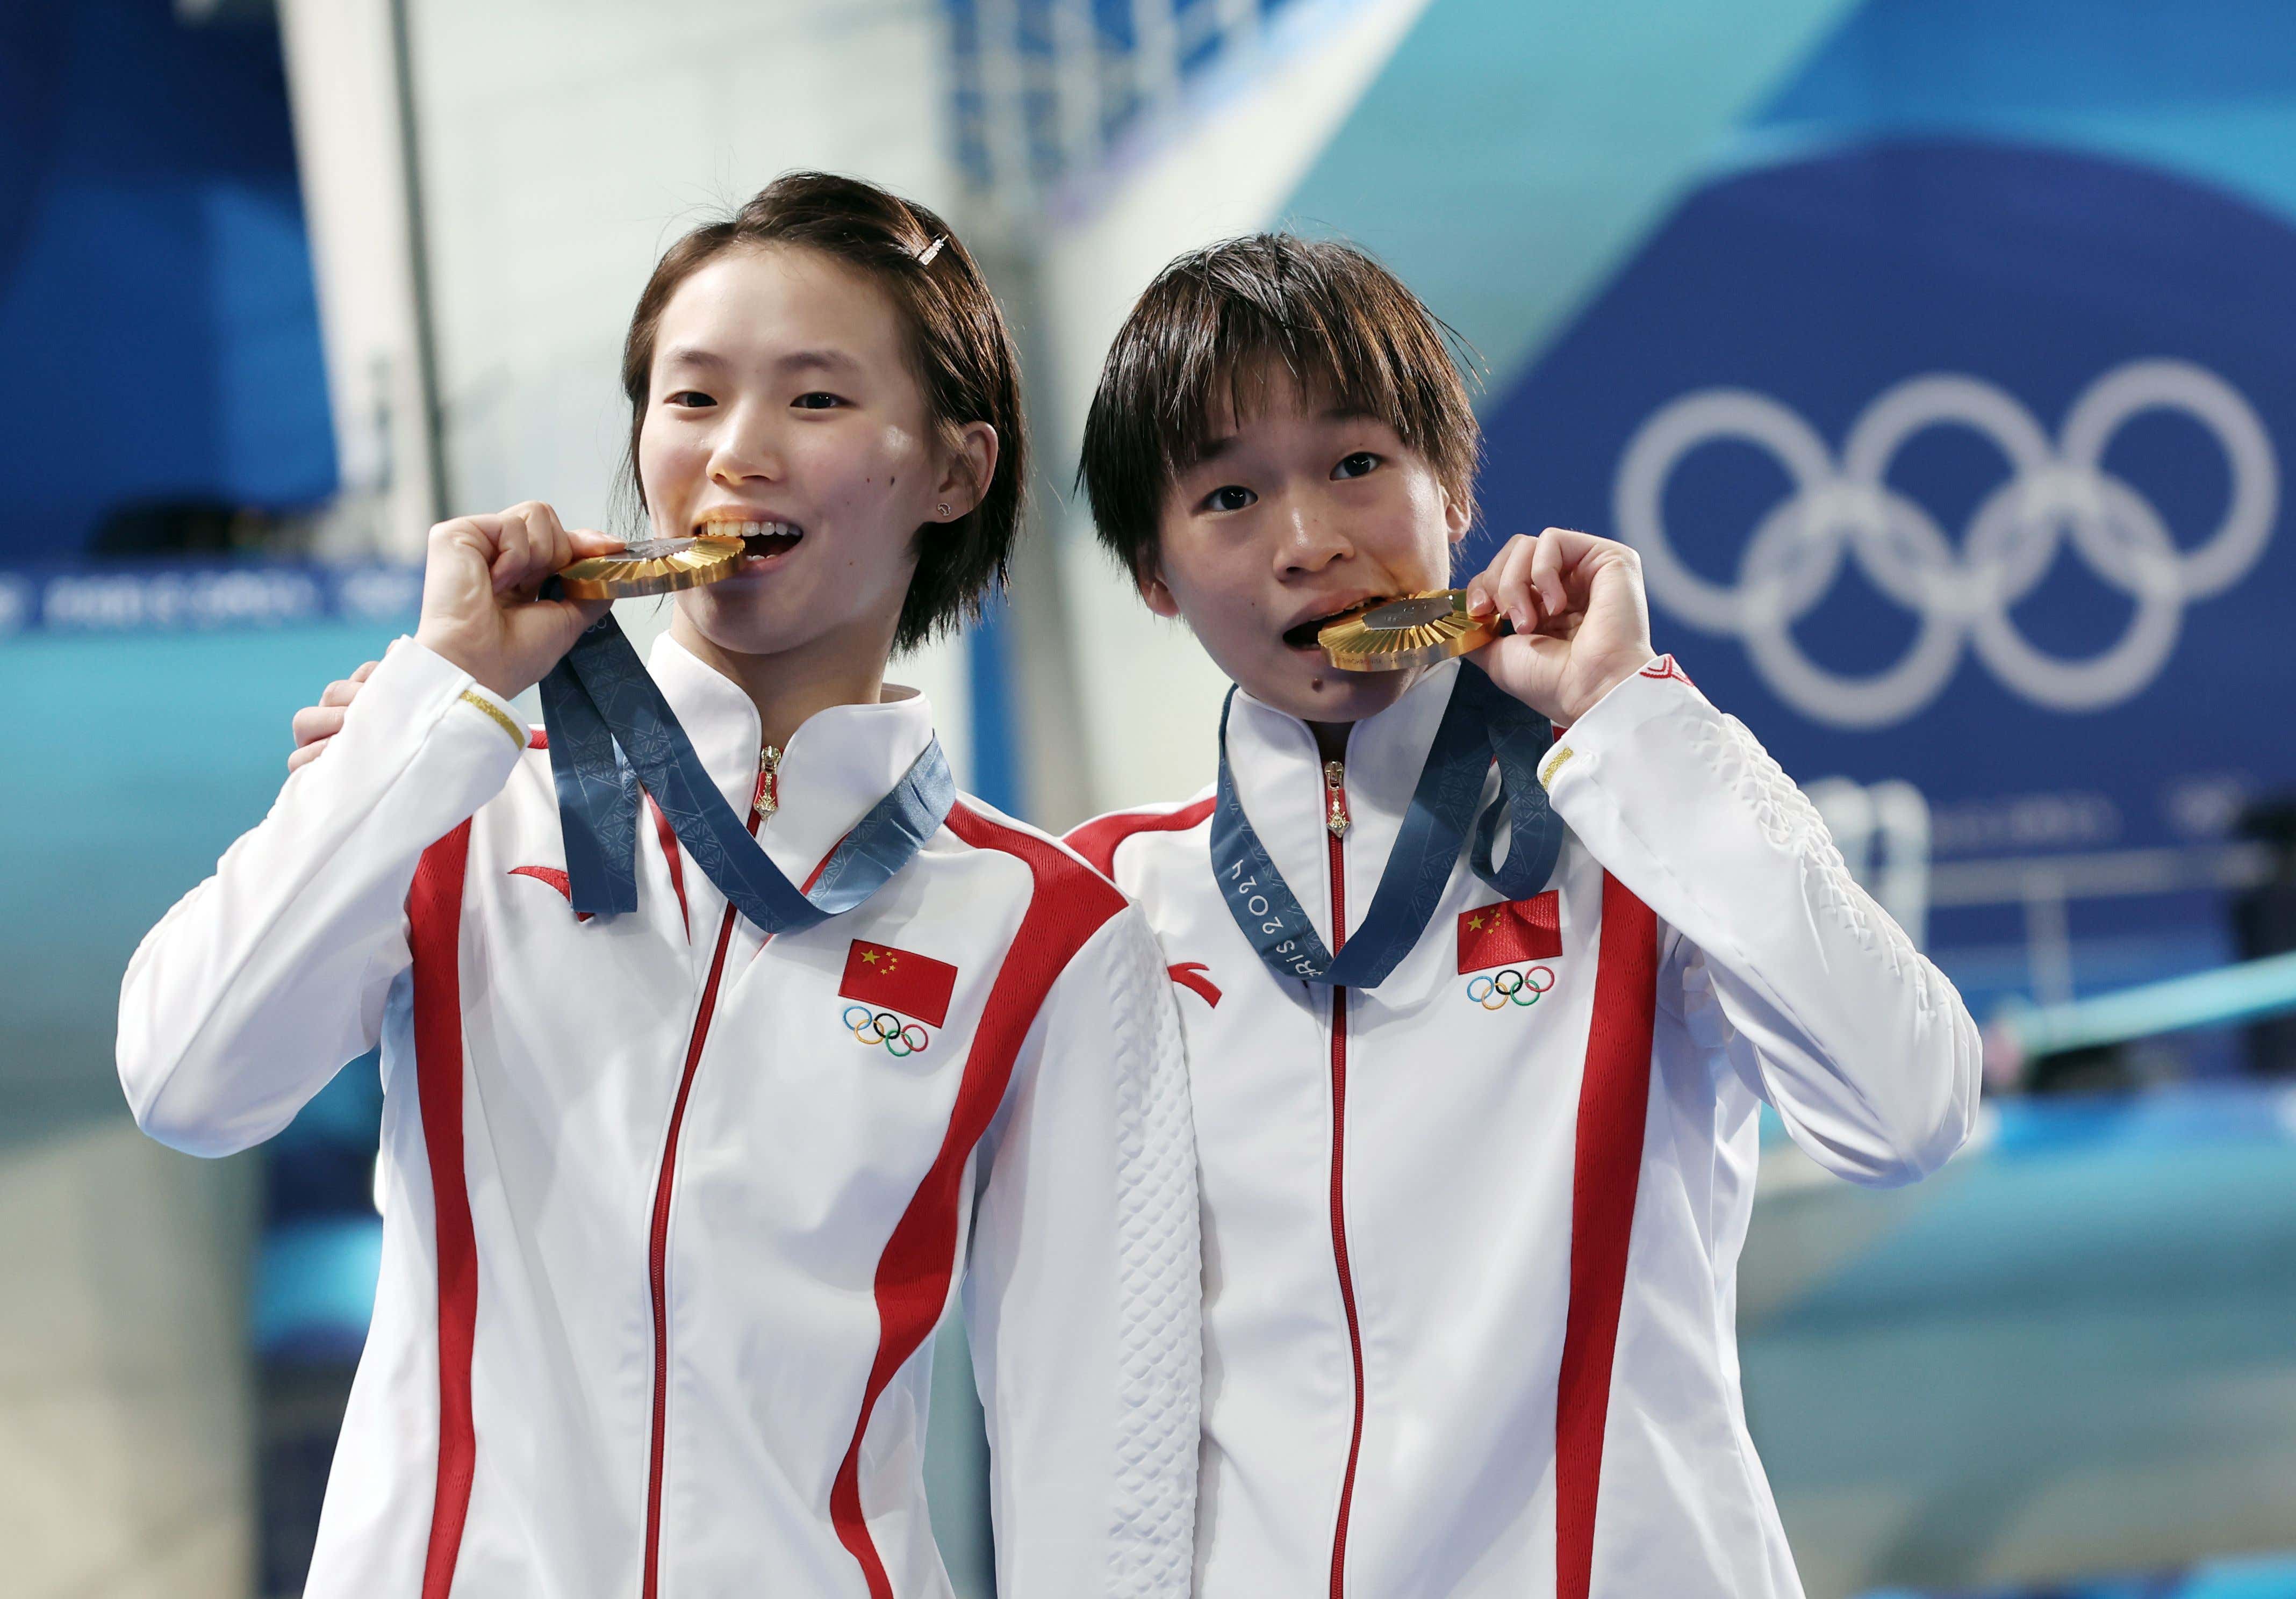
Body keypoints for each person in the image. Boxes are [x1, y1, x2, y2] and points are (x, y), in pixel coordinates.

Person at [118, 173, 1199, 1599]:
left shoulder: (1045, 934)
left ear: (954, 467)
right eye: (690, 400)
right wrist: (433, 710)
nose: (737, 452)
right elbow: (190, 1080)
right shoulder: (455, 785)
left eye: (814, 401)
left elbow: (1097, 1458)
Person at [1063, 234, 1980, 1598]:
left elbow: (1914, 1113)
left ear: (1454, 488)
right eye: (1231, 495)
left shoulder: (1634, 825)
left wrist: (1635, 722)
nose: (1309, 541)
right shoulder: (1105, 904)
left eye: (1358, 464)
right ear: (1152, 571)